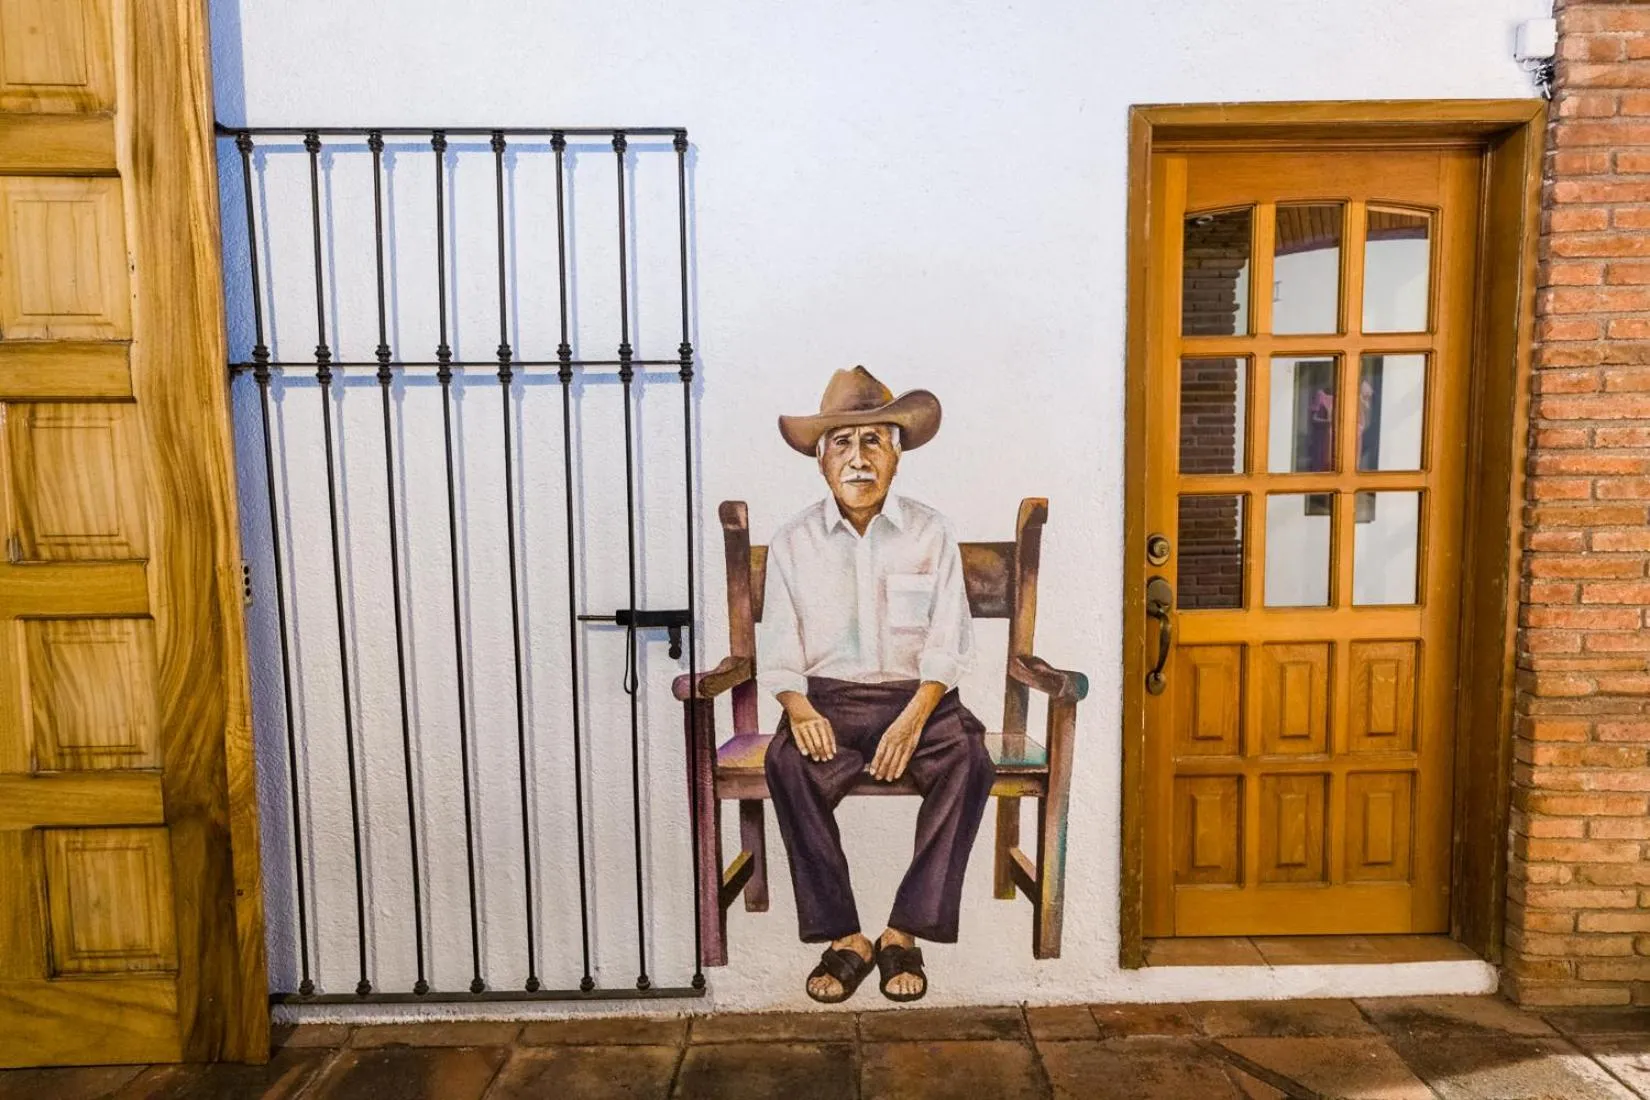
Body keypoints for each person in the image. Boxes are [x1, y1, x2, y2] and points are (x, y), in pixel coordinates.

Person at [759, 366, 995, 1004]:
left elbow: (949, 641)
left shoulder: (930, 530)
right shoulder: (792, 541)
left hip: (922, 701)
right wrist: (798, 707)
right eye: (841, 442)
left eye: (874, 442)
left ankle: (902, 933)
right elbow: (779, 649)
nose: (858, 459)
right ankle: (845, 940)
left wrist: (916, 715)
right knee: (788, 762)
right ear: (819, 460)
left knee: (970, 759)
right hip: (827, 700)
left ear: (897, 455)